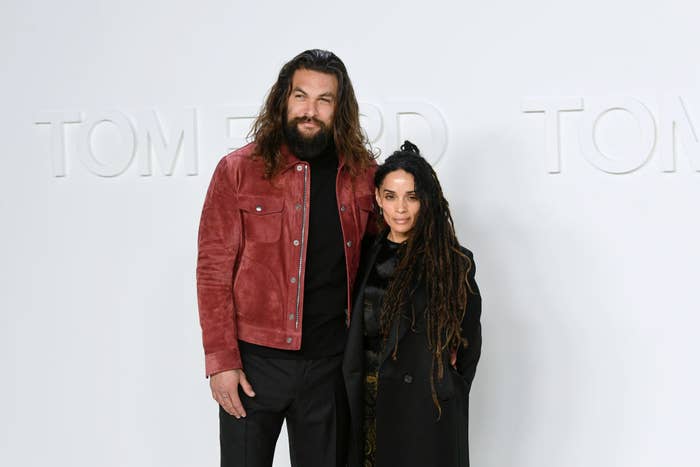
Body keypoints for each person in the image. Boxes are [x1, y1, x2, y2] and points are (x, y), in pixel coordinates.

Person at [196, 49, 376, 467]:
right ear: (283, 99)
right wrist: (221, 361)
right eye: (301, 96)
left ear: (340, 109)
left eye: (324, 100)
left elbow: (386, 261)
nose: (310, 110)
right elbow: (212, 272)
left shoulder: (363, 175)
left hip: (330, 369)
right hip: (254, 367)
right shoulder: (238, 170)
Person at [342, 141, 482, 467]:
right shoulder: (362, 257)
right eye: (390, 196)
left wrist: (449, 388)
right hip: (367, 403)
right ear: (377, 198)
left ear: (427, 201)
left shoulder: (454, 263)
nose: (401, 208)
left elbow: (469, 345)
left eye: (412, 197)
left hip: (424, 410)